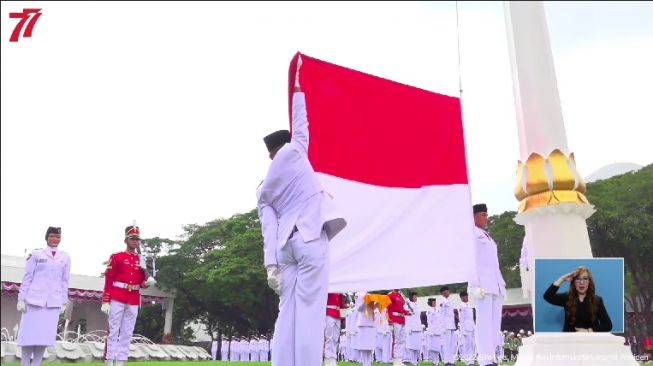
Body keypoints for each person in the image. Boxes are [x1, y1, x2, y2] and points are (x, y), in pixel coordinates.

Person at [257, 55, 347, 366]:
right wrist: (298, 86)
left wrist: (271, 265)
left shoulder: (264, 186)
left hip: (284, 250)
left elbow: (268, 225)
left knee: (288, 313)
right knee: (310, 312)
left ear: (270, 154)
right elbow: (302, 121)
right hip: (309, 240)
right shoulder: (296, 151)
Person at [101, 225, 156, 366]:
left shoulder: (141, 260)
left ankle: (121, 362)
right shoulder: (117, 257)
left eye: (137, 239)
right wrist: (105, 300)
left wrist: (148, 283)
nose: (135, 241)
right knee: (113, 331)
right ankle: (109, 361)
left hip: (133, 299)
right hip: (117, 296)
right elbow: (109, 279)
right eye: (132, 238)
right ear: (126, 239)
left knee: (127, 332)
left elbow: (141, 282)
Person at [17, 227, 71, 366]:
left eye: (58, 237)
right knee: (28, 337)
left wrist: (63, 302)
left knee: (43, 338)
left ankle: (36, 364)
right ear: (47, 237)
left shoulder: (65, 257)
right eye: (52, 236)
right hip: (34, 300)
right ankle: (24, 364)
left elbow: (64, 281)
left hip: (52, 303)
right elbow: (27, 277)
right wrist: (21, 299)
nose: (55, 239)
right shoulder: (36, 254)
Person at [468, 203, 506, 366]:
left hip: (495, 284)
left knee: (494, 323)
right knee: (483, 323)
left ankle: (492, 357)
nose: (487, 218)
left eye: (486, 214)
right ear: (474, 216)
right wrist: (475, 285)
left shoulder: (486, 236)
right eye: (483, 214)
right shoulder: (470, 234)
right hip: (482, 285)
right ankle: (485, 359)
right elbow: (469, 261)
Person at [543, 266, 613, 332]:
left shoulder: (597, 300)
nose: (581, 282)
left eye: (585, 278)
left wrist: (588, 331)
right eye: (578, 279)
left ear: (589, 282)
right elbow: (547, 296)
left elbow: (608, 325)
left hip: (590, 340)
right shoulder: (566, 297)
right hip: (570, 341)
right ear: (573, 282)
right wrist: (562, 279)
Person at [387, 289, 410, 366]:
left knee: (402, 340)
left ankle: (400, 359)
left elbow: (401, 308)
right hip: (395, 319)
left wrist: (407, 312)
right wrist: (390, 320)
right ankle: (396, 360)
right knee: (396, 340)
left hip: (402, 319)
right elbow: (389, 308)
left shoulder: (400, 295)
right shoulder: (390, 295)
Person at [354, 291, 376, 366]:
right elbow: (359, 309)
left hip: (371, 322)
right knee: (363, 345)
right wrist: (364, 301)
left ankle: (369, 362)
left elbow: (372, 308)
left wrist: (377, 304)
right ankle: (364, 362)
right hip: (363, 322)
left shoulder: (371, 295)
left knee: (370, 345)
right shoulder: (358, 294)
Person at [324, 292, 347, 366]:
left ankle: (333, 359)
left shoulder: (339, 291)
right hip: (329, 313)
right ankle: (328, 359)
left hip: (337, 314)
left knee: (335, 338)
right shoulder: (328, 287)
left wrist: (344, 312)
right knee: (329, 338)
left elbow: (341, 303)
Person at [439, 286, 456, 366]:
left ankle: (451, 361)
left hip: (451, 325)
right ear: (443, 293)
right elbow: (441, 315)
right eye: (446, 291)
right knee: (446, 344)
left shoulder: (449, 301)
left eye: (448, 291)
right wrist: (442, 326)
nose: (448, 292)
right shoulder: (442, 302)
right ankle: (447, 361)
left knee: (451, 344)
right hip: (446, 326)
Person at [458, 291, 476, 366]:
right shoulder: (461, 306)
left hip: (471, 328)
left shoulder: (469, 306)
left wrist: (474, 327)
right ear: (461, 298)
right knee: (467, 345)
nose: (467, 298)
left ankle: (471, 361)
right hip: (466, 329)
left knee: (472, 345)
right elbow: (461, 319)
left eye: (467, 296)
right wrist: (463, 330)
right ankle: (468, 361)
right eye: (465, 296)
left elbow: (471, 319)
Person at [405, 292, 422, 365]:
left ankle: (415, 360)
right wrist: (408, 328)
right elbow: (407, 317)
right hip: (411, 328)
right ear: (411, 297)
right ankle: (412, 360)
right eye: (414, 296)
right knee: (411, 346)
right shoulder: (408, 305)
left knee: (416, 346)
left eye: (416, 296)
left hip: (417, 327)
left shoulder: (417, 305)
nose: (416, 297)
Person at [425, 298, 443, 364]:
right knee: (432, 348)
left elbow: (440, 320)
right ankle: (434, 361)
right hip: (432, 332)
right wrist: (431, 331)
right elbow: (429, 321)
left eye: (435, 302)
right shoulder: (429, 311)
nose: (435, 303)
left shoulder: (437, 310)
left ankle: (437, 360)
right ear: (430, 303)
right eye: (433, 302)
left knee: (437, 347)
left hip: (438, 331)